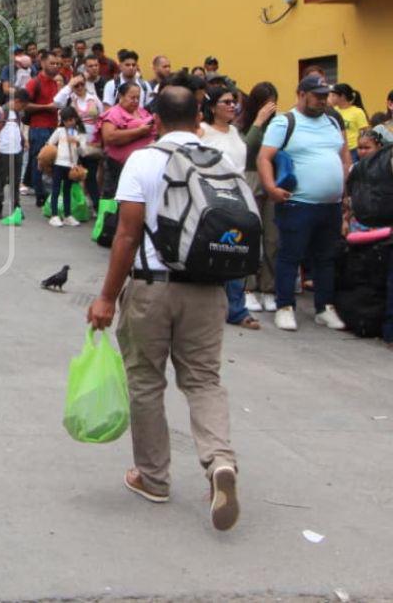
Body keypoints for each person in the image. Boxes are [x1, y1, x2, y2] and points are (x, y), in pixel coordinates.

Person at [86, 86, 241, 532]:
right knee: (204, 380)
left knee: (146, 380)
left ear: (154, 119)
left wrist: (106, 298)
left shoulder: (143, 160)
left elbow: (127, 235)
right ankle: (219, 462)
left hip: (151, 287)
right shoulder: (219, 160)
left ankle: (153, 477)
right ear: (198, 118)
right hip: (207, 291)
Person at [257, 76, 350, 332]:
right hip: (298, 202)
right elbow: (265, 157)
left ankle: (324, 307)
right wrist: (271, 188)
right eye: (317, 95)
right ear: (301, 94)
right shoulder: (285, 122)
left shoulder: (332, 120)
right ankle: (284, 306)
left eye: (325, 95)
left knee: (326, 257)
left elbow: (343, 157)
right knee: (290, 255)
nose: (323, 100)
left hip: (330, 204)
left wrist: (344, 189)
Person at [200, 86, 261, 330]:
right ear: (212, 107)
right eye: (225, 102)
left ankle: (237, 310)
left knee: (236, 251)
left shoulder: (235, 132)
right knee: (211, 250)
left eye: (234, 101)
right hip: (211, 198)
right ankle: (208, 307)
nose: (232, 105)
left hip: (237, 197)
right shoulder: (202, 131)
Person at [236, 81, 281, 313]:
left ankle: (269, 288)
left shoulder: (280, 124)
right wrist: (259, 121)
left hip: (272, 179)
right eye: (265, 103)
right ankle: (247, 287)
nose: (270, 108)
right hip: (251, 179)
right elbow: (245, 148)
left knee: (272, 238)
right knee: (251, 235)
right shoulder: (243, 124)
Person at [54, 71, 104, 208]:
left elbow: (103, 117)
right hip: (73, 144)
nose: (80, 87)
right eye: (77, 85)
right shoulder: (70, 99)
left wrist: (100, 140)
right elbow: (57, 101)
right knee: (71, 175)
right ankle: (71, 206)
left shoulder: (93, 98)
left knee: (91, 177)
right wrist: (69, 86)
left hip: (91, 144)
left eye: (82, 84)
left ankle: (97, 207)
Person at [0, 88, 28, 224]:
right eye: (22, 105)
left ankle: (17, 208)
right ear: (16, 101)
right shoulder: (0, 112)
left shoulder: (17, 114)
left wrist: (24, 140)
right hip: (3, 151)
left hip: (17, 151)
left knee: (15, 181)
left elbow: (18, 128)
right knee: (1, 180)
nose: (23, 108)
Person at [24, 51, 62, 201]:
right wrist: (46, 107)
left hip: (53, 127)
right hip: (39, 127)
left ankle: (46, 191)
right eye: (52, 63)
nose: (56, 67)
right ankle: (39, 193)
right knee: (39, 160)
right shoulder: (34, 82)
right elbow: (25, 105)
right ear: (43, 63)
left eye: (58, 64)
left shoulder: (54, 83)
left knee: (51, 161)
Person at [46, 106, 87, 227]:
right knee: (56, 190)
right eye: (66, 120)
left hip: (71, 166)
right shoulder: (59, 131)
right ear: (62, 121)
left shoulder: (80, 133)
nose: (69, 122)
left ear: (75, 119)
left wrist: (78, 143)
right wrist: (49, 157)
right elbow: (49, 144)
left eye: (71, 119)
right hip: (59, 164)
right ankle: (54, 215)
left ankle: (68, 215)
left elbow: (83, 152)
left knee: (67, 191)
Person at [328, 83, 368, 161]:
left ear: (342, 96)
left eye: (333, 95)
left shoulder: (357, 112)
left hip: (353, 149)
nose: (331, 98)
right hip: (337, 148)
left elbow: (364, 131)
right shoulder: (333, 111)